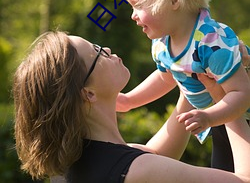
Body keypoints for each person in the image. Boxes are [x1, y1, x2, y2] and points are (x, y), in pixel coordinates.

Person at [13, 31, 250, 183]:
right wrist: (226, 98)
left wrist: (190, 70)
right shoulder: (138, 171)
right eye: (97, 53)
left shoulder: (72, 167)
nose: (105, 49)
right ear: (88, 93)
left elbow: (157, 154)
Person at [119, 0, 250, 171]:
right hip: (220, 121)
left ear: (173, 0)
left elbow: (242, 93)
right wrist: (130, 100)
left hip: (239, 118)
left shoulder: (211, 42)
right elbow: (166, 77)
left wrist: (209, 117)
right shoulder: (162, 43)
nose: (133, 16)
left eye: (138, 5)